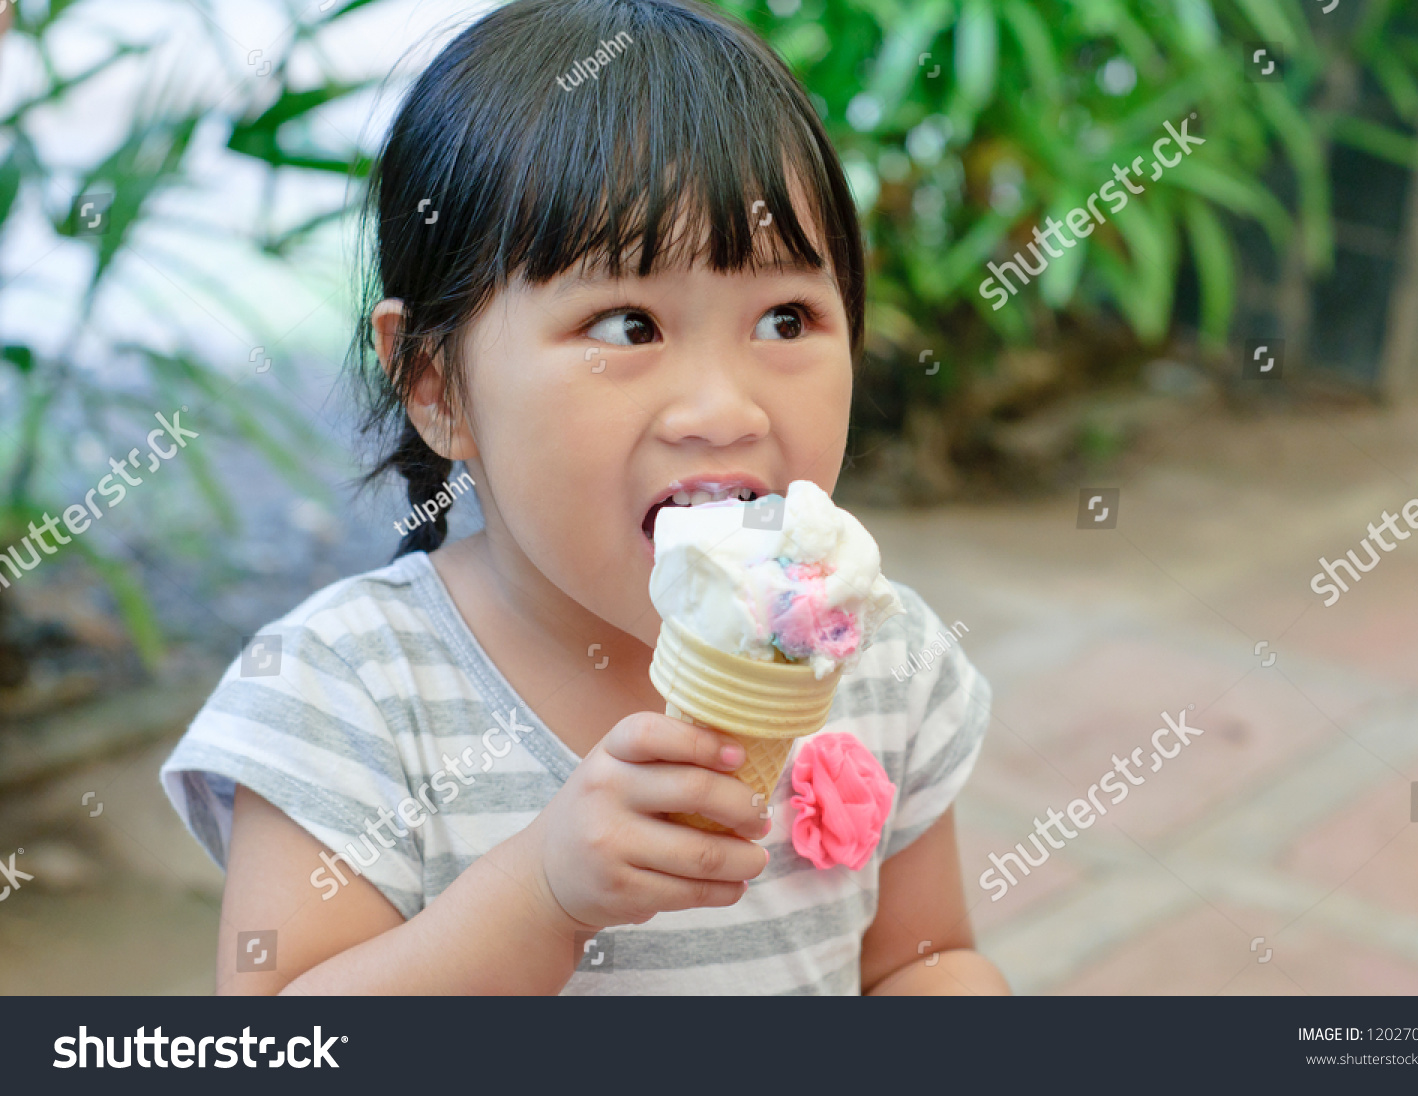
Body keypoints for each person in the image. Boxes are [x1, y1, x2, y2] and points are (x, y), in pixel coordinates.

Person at [161, 0, 1008, 995]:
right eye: (627, 326)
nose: (722, 408)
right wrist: (542, 896)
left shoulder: (882, 661)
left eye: (785, 318)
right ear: (433, 381)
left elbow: (926, 958)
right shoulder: (345, 698)